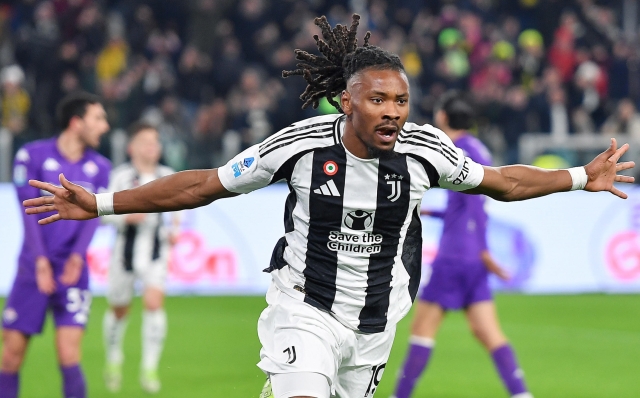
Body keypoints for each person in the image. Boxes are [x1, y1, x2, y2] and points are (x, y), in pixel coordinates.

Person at [22, 15, 634, 398]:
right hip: (303, 307)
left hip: (375, 322)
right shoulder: (298, 145)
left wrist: (580, 176)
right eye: (379, 100)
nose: (394, 111)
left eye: (402, 99)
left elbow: (502, 181)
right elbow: (202, 184)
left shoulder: (427, 150)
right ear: (347, 101)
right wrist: (100, 203)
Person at [391, 91, 531, 398]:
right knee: (488, 332)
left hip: (454, 255)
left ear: (442, 117)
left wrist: (482, 251)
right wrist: (435, 215)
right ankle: (522, 394)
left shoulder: (452, 152)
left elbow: (471, 209)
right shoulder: (480, 149)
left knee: (422, 332)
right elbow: (473, 206)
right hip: (474, 258)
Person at [0, 92, 111, 398]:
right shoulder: (30, 155)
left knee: (69, 355)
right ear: (76, 123)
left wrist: (77, 257)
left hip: (72, 272)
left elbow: (93, 218)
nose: (105, 126)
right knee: (10, 355)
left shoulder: (100, 167)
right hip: (32, 268)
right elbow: (28, 213)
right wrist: (40, 262)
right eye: (98, 118)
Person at [101, 122, 179, 393]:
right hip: (124, 253)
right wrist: (126, 217)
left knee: (154, 303)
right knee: (119, 309)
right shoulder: (121, 176)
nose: (152, 147)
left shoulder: (167, 175)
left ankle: (149, 366)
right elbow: (104, 214)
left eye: (155, 142)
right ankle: (113, 357)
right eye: (146, 142)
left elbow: (180, 211)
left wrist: (174, 231)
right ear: (132, 147)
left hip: (156, 252)